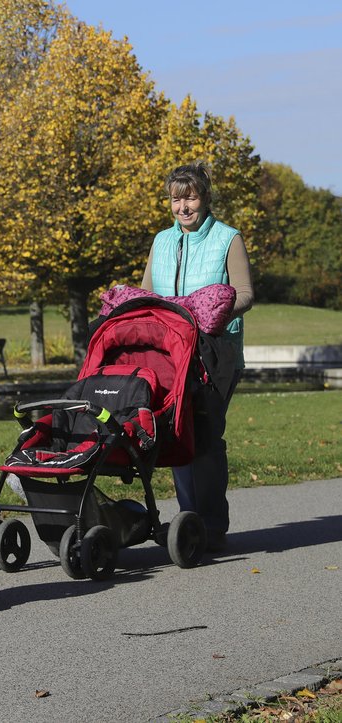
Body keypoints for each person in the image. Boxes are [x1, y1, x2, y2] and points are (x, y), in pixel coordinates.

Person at [140, 162, 254, 553]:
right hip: (173, 353)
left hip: (215, 353)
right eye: (176, 198)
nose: (183, 206)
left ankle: (212, 524)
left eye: (190, 197)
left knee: (205, 436)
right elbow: (146, 295)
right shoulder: (162, 241)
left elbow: (245, 294)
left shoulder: (227, 238)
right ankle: (190, 520)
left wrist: (214, 313)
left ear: (205, 197)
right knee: (175, 435)